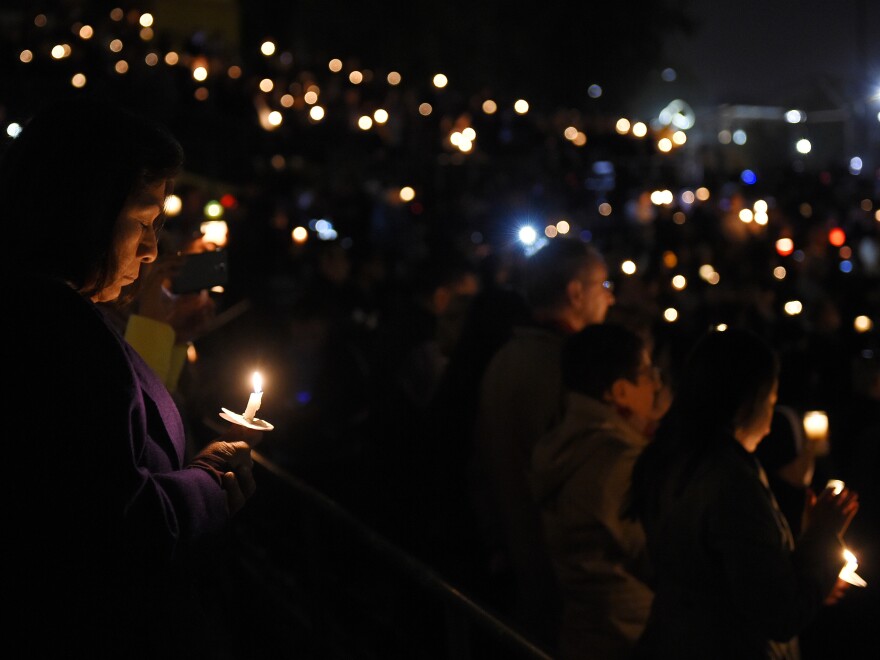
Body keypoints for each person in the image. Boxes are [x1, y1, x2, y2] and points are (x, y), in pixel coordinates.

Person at [1, 94, 260, 657]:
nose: (151, 248)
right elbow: (110, 529)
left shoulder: (59, 316)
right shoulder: (56, 333)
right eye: (142, 221)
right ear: (83, 210)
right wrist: (207, 487)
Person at [626, 327, 859, 659]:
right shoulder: (729, 482)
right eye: (771, 401)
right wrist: (824, 534)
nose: (770, 419)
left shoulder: (670, 456)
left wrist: (809, 563)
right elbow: (778, 613)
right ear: (746, 403)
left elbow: (726, 573)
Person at [470, 237, 616, 649]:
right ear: (575, 293)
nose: (610, 298)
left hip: (518, 551)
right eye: (603, 286)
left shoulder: (504, 359)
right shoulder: (566, 373)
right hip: (564, 573)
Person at [531, 322, 664, 659]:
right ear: (619, 391)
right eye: (648, 372)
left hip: (585, 630)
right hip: (630, 635)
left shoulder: (564, 444)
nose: (656, 384)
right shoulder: (617, 461)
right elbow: (659, 556)